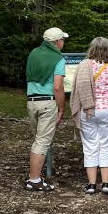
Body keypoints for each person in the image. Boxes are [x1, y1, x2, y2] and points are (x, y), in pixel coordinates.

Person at [70, 37, 108, 194]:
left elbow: (77, 87)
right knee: (105, 145)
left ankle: (91, 185)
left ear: (91, 49)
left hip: (88, 109)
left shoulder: (84, 66)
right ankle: (106, 184)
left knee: (90, 146)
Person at [24, 27, 68, 192]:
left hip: (31, 101)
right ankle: (34, 179)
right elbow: (58, 87)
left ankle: (34, 175)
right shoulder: (58, 59)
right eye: (62, 40)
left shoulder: (34, 53)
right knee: (42, 142)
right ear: (57, 42)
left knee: (37, 140)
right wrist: (61, 108)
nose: (63, 42)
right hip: (47, 102)